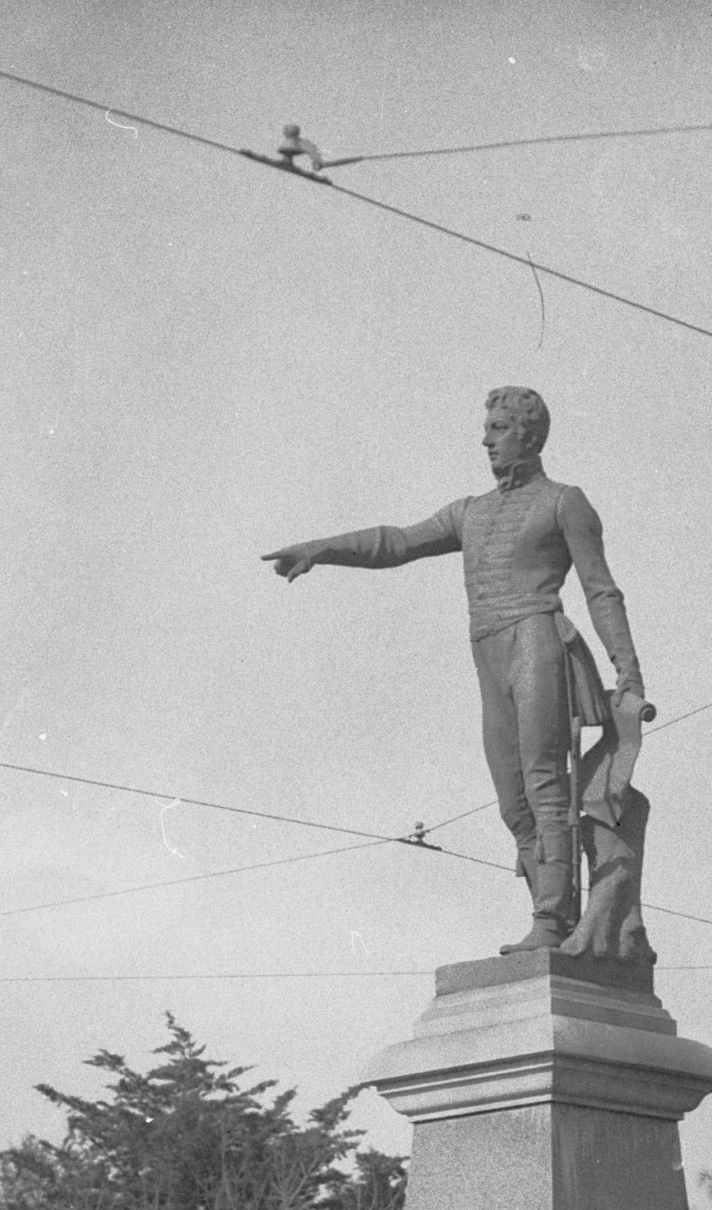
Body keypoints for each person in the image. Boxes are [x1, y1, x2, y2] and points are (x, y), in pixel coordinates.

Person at [264, 387, 647, 951]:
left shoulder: (565, 502)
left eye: (499, 427)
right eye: (487, 427)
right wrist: (321, 548)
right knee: (511, 798)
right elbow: (396, 542)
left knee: (544, 781)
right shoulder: (471, 512)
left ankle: (550, 920)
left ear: (531, 435)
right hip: (487, 650)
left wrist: (628, 671)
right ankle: (551, 915)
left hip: (537, 639)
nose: (486, 438)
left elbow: (600, 590)